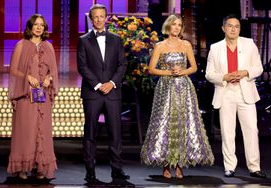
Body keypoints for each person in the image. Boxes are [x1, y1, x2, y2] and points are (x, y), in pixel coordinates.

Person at [140, 14, 214, 179]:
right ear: (168, 26)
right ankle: (166, 165)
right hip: (165, 87)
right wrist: (168, 72)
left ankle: (180, 164)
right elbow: (151, 69)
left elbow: (193, 67)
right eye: (174, 24)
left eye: (179, 25)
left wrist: (182, 71)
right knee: (166, 123)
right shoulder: (160, 46)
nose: (176, 27)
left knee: (182, 123)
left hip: (183, 88)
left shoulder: (186, 44)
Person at [205, 14, 266, 178]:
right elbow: (209, 74)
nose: (233, 29)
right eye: (230, 26)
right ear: (223, 28)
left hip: (245, 91)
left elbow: (258, 68)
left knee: (251, 130)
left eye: (237, 26)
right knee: (227, 131)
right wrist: (223, 77)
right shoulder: (215, 48)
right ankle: (229, 166)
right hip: (226, 92)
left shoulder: (249, 44)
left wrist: (245, 72)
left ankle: (254, 167)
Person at [76, 4, 129, 182]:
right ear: (91, 19)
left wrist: (112, 83)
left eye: (101, 16)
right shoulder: (83, 40)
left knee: (115, 132)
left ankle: (117, 169)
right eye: (95, 17)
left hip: (113, 92)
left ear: (106, 18)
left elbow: (122, 65)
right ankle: (90, 169)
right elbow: (82, 66)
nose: (99, 19)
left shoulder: (116, 39)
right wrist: (99, 85)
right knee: (90, 132)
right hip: (93, 93)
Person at [7, 14, 59, 180]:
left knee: (42, 131)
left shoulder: (48, 47)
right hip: (25, 95)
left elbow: (54, 71)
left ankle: (40, 168)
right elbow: (13, 70)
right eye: (36, 25)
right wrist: (27, 78)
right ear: (30, 27)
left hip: (42, 96)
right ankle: (23, 167)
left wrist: (49, 79)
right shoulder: (21, 45)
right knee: (26, 131)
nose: (39, 28)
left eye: (42, 25)